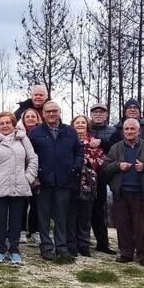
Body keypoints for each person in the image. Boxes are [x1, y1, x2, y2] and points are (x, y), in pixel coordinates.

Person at [28, 101, 83, 262]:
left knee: (61, 216)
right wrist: (35, 173)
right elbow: (29, 154)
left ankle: (61, 247)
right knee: (43, 216)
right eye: (48, 111)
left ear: (59, 112)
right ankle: (46, 247)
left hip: (64, 180)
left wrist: (74, 167)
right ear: (43, 114)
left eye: (54, 111)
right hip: (43, 181)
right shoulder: (36, 132)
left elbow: (79, 150)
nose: (51, 114)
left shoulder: (70, 131)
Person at [0, 111, 37, 265]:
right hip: (0, 186)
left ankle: (14, 249)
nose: (5, 126)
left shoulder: (23, 139)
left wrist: (28, 178)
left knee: (16, 220)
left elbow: (33, 158)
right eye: (2, 123)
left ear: (13, 124)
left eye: (8, 123)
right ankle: (0, 249)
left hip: (19, 185)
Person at [101, 118, 144, 266]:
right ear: (123, 131)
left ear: (139, 131)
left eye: (132, 129)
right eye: (126, 129)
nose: (129, 131)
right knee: (122, 225)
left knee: (141, 226)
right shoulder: (116, 148)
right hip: (121, 192)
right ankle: (126, 253)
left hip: (140, 193)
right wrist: (118, 165)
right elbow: (105, 167)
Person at [67, 114, 105, 257]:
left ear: (87, 126)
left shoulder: (93, 143)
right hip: (70, 183)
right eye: (77, 122)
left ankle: (84, 245)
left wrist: (88, 162)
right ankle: (71, 244)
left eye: (83, 122)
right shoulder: (67, 141)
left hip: (87, 184)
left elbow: (102, 160)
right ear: (73, 125)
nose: (80, 125)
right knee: (70, 216)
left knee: (85, 216)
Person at [88, 103, 118, 255]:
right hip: (84, 175)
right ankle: (81, 242)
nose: (98, 114)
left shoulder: (113, 131)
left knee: (99, 210)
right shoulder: (86, 128)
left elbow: (116, 147)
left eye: (101, 112)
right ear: (91, 114)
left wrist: (101, 142)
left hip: (102, 174)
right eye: (95, 112)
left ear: (106, 115)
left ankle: (102, 243)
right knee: (82, 209)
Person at [18, 107, 43, 244]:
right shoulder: (18, 133)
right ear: (23, 119)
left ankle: (34, 230)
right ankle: (21, 230)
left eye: (33, 116)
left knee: (36, 203)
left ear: (38, 119)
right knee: (21, 202)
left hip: (39, 171)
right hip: (20, 170)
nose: (30, 119)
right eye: (27, 116)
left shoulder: (43, 132)